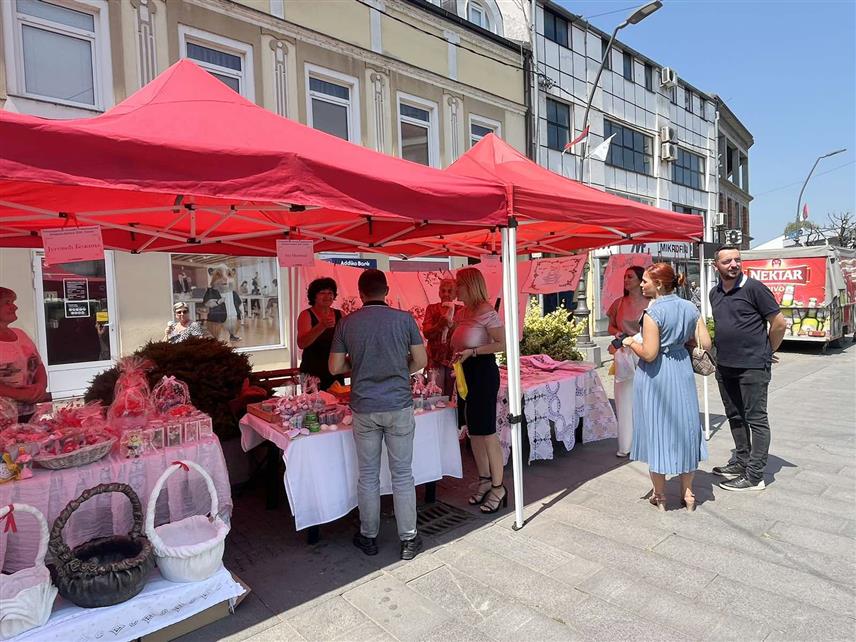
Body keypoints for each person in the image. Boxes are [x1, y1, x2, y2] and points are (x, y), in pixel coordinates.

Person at [328, 269, 427, 560]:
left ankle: (368, 536)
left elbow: (334, 367)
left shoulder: (347, 323)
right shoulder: (404, 319)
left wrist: (359, 366)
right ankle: (409, 539)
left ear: (360, 293)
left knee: (368, 475)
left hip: (364, 407)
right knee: (402, 475)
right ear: (386, 290)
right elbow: (421, 360)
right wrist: (398, 370)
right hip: (398, 404)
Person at [622, 263, 711, 511]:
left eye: (646, 281)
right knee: (686, 428)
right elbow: (705, 342)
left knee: (656, 430)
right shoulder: (690, 307)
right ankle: (689, 494)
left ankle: (660, 495)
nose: (641, 284)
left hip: (656, 376)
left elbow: (649, 354)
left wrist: (630, 341)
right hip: (681, 370)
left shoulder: (653, 313)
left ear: (659, 284)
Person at [709, 245, 786, 492]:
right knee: (735, 416)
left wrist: (768, 351)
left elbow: (778, 323)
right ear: (716, 266)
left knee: (756, 419)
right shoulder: (714, 293)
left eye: (737, 260)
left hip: (752, 366)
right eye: (727, 261)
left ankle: (755, 476)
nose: (733, 264)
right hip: (725, 366)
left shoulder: (754, 288)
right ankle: (741, 461)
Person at [451, 268, 507, 514]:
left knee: (487, 431)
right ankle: (484, 479)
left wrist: (473, 352)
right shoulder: (462, 311)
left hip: (483, 371)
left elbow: (502, 343)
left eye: (459, 285)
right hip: (465, 373)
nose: (456, 289)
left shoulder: (487, 311)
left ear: (471, 286)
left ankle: (498, 486)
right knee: (473, 431)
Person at [606, 266, 648, 458]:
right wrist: (617, 334)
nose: (626, 279)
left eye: (630, 276)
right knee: (623, 399)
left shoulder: (652, 303)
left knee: (646, 399)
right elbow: (611, 325)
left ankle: (646, 442)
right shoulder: (618, 303)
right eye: (624, 276)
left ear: (641, 280)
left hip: (646, 353)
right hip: (623, 354)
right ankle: (626, 444)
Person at [0, 287, 48, 422]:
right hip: (3, 417)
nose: (14, 307)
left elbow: (38, 365)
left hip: (29, 412)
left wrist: (41, 386)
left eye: (13, 302)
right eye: (7, 303)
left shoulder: (20, 334)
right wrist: (19, 394)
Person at [297, 278, 345, 391]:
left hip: (335, 369)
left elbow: (347, 340)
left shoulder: (341, 314)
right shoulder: (306, 315)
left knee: (338, 403)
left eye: (330, 293)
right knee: (314, 406)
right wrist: (321, 326)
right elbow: (302, 343)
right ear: (314, 296)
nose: (327, 296)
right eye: (322, 293)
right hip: (312, 371)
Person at [421, 278, 462, 397]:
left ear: (455, 294)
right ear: (439, 292)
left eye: (450, 291)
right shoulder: (431, 309)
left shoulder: (461, 310)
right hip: (435, 359)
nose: (446, 294)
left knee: (453, 397)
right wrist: (439, 325)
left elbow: (461, 335)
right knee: (435, 395)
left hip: (454, 360)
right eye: (443, 291)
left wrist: (451, 325)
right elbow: (426, 333)